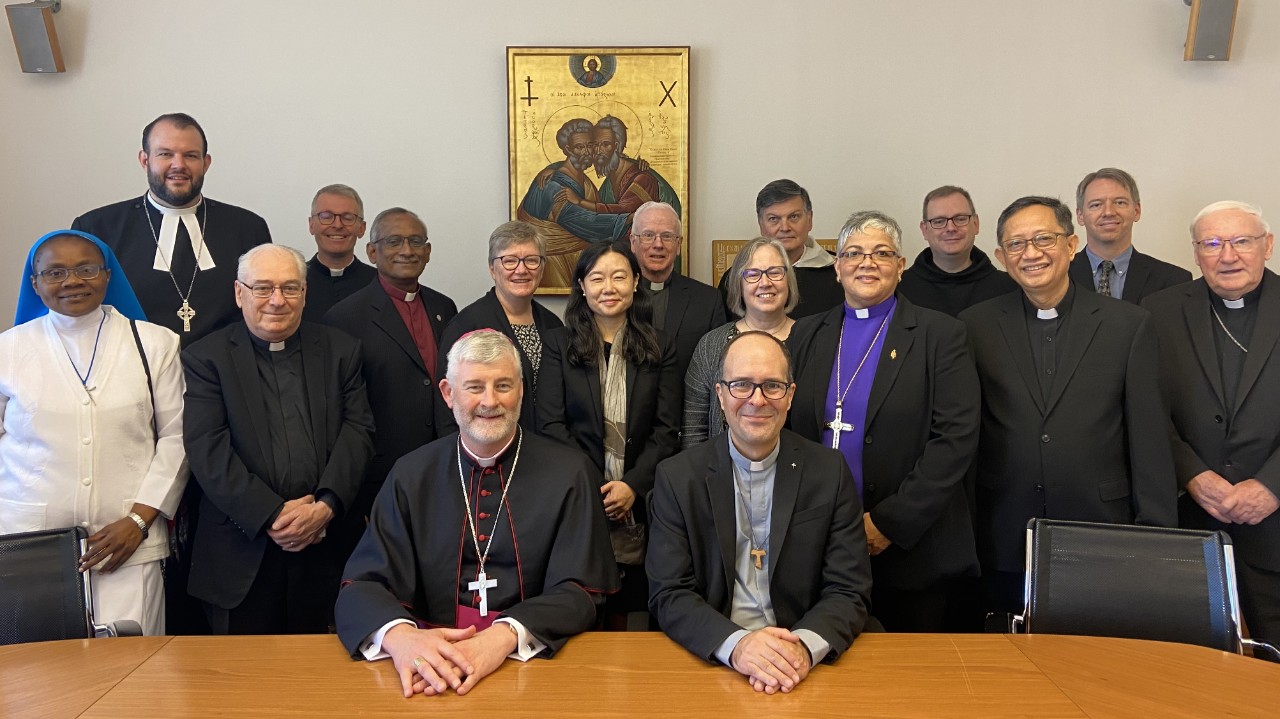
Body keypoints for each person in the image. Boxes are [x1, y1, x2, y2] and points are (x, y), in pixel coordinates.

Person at [335, 330, 619, 697]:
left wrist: (505, 635)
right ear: (448, 393)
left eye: (503, 385)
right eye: (474, 387)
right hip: (430, 669)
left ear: (521, 390)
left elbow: (582, 589)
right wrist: (401, 637)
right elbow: (362, 584)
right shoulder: (411, 475)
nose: (490, 401)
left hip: (533, 663)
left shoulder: (570, 473)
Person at [959, 196, 1177, 614]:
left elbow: (1149, 440)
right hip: (1003, 531)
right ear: (1002, 257)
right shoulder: (975, 326)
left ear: (1072, 245)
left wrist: (1156, 538)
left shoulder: (1128, 325)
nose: (1032, 253)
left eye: (1044, 239)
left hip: (1102, 529)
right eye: (1017, 244)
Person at [787, 210, 981, 632]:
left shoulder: (939, 335)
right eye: (854, 253)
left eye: (882, 253)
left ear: (901, 265)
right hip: (822, 542)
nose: (867, 263)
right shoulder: (806, 334)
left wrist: (888, 523)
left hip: (913, 549)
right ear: (837, 267)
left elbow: (955, 440)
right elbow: (789, 431)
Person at [648, 331, 872, 693]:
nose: (757, 399)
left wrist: (801, 648)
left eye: (772, 385)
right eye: (741, 385)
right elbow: (669, 593)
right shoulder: (677, 478)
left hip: (802, 662)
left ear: (790, 395)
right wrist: (738, 646)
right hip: (714, 661)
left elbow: (849, 589)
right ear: (720, 395)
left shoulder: (829, 472)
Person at [0, 230, 186, 636]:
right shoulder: (7, 351)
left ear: (107, 275)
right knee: (39, 668)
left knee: (132, 662)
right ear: (35, 283)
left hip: (129, 543)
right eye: (55, 272)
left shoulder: (155, 344)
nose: (72, 281)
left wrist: (138, 520)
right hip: (28, 544)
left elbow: (177, 439)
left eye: (86, 269)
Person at [183, 244, 375, 634]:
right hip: (240, 552)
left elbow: (359, 432)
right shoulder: (206, 357)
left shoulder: (341, 350)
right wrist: (272, 515)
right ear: (239, 293)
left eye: (290, 288)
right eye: (263, 288)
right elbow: (207, 449)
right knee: (243, 670)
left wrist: (325, 506)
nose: (277, 300)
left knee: (325, 668)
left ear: (304, 294)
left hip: (326, 546)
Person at [1143, 201, 1280, 652]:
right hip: (1192, 520)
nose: (1228, 256)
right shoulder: (1159, 311)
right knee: (1195, 665)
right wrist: (1192, 474)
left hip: (1275, 522)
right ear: (1196, 252)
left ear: (1267, 245)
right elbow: (1146, 409)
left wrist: (1272, 485)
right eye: (1212, 243)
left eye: (1242, 242)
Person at [536, 241, 681, 628]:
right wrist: (597, 487)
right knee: (581, 606)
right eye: (597, 278)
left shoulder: (661, 345)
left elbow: (667, 430)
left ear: (635, 283)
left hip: (643, 500)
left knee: (635, 609)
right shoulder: (558, 344)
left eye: (619, 276)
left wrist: (631, 486)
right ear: (582, 286)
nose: (609, 287)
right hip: (578, 495)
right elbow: (550, 426)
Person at [71, 112, 272, 344]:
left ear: (205, 163)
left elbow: (263, 306)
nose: (179, 165)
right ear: (145, 160)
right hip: (133, 360)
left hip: (226, 362)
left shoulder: (248, 227)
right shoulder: (96, 229)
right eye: (165, 154)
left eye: (190, 155)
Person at [323, 207, 458, 551]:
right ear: (372, 252)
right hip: (379, 477)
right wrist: (358, 495)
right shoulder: (344, 317)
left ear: (428, 251)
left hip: (442, 468)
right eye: (394, 241)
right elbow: (339, 414)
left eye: (416, 241)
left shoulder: (445, 307)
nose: (407, 250)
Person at [437, 221, 562, 431]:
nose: (521, 270)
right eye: (509, 261)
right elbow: (447, 411)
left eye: (531, 260)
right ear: (492, 269)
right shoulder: (467, 326)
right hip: (487, 445)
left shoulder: (553, 324)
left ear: (542, 268)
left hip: (545, 445)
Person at [683, 237, 798, 449]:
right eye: (753, 274)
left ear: (788, 281)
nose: (765, 282)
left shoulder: (813, 340)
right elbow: (694, 430)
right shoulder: (711, 345)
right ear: (739, 285)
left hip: (800, 467)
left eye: (775, 272)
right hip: (721, 468)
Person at [517, 118, 629, 287]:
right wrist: (627, 219)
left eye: (590, 145)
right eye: (579, 147)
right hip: (557, 264)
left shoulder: (581, 179)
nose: (587, 152)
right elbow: (583, 221)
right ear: (568, 149)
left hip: (583, 261)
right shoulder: (552, 185)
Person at [717, 180, 843, 319]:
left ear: (809, 219)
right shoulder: (737, 278)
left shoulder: (839, 274)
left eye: (794, 217)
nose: (785, 228)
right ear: (760, 224)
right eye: (773, 219)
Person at [628, 201, 725, 375]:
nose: (658, 244)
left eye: (667, 236)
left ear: (679, 244)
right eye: (648, 235)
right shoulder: (614, 297)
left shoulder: (708, 301)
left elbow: (717, 369)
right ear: (633, 242)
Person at [1069, 168, 1191, 303]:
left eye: (1120, 203)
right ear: (1080, 216)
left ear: (1136, 211)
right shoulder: (1059, 274)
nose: (1108, 212)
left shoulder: (1173, 280)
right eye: (1096, 205)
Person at [898, 185, 1016, 316]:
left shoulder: (1011, 287)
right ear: (925, 230)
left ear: (976, 224)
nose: (951, 228)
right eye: (939, 221)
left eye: (960, 219)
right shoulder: (898, 290)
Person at [302, 184, 376, 321]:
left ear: (362, 228)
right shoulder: (293, 283)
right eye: (326, 216)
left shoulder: (379, 284)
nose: (337, 225)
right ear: (311, 225)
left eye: (348, 218)